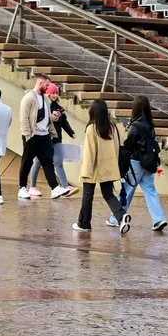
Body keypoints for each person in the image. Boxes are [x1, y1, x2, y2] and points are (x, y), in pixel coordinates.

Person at [74, 98, 126, 234]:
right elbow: (116, 148)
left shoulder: (92, 128)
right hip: (109, 166)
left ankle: (84, 223)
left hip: (93, 167)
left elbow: (89, 152)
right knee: (108, 194)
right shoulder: (112, 127)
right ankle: (122, 215)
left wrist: (86, 171)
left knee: (87, 195)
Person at [118, 94, 168, 234]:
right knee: (150, 190)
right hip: (149, 162)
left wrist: (127, 132)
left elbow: (129, 144)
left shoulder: (135, 125)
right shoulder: (150, 125)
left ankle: (116, 217)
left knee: (127, 188)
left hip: (136, 161)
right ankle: (159, 218)